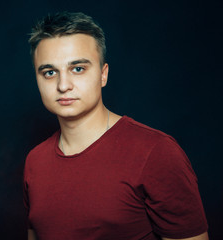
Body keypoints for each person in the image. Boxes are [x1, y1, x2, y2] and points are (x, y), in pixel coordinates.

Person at [23, 12, 208, 240]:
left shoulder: (156, 152)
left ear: (103, 75)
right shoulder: (35, 161)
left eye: (78, 69)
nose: (63, 85)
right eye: (50, 72)